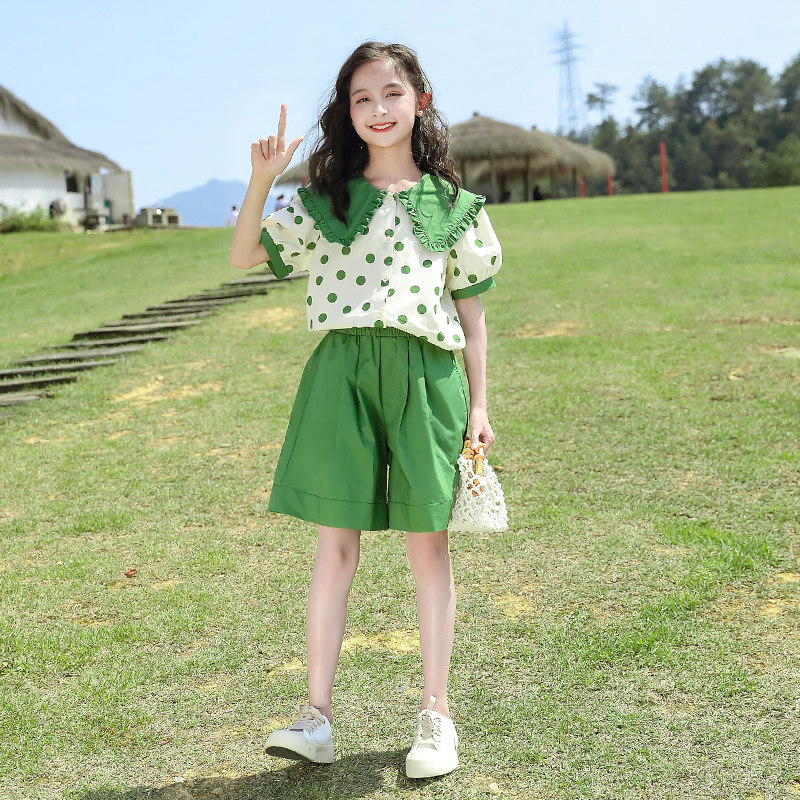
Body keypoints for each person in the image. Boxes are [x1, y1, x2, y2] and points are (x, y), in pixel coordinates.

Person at [230, 41, 501, 779]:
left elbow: (472, 316)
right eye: (361, 99)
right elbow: (245, 255)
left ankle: (437, 718)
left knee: (429, 548)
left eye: (390, 94)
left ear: (420, 101)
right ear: (347, 114)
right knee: (334, 547)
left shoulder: (454, 207)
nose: (377, 109)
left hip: (426, 376)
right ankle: (315, 717)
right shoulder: (328, 200)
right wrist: (262, 179)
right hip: (341, 374)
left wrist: (480, 405)